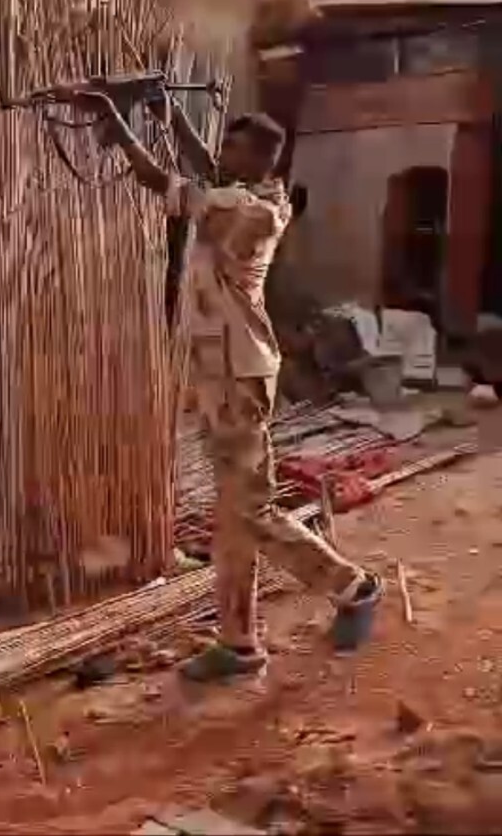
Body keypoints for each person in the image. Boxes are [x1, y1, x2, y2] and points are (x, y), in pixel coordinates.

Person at [77, 83, 383, 683]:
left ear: (260, 161)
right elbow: (210, 169)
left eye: (235, 150)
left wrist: (117, 123)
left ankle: (353, 586)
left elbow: (164, 184)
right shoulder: (249, 191)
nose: (224, 155)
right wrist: (169, 112)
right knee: (234, 515)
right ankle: (240, 643)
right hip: (224, 372)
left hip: (238, 376)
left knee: (255, 508)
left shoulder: (248, 212)